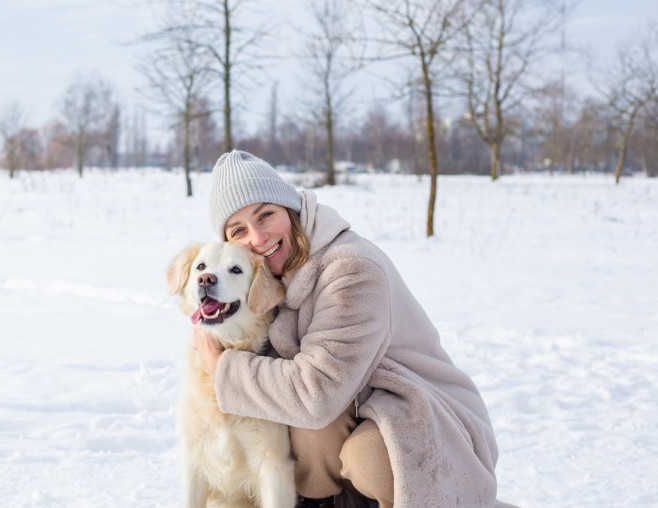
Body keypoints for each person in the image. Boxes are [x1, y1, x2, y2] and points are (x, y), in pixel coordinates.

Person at [194, 150, 501, 508]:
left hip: (425, 415)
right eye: (239, 230)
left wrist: (221, 367)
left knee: (366, 457)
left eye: (266, 214)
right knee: (298, 427)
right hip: (354, 401)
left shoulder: (350, 268)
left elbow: (318, 393)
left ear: (290, 210)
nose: (259, 237)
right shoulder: (266, 279)